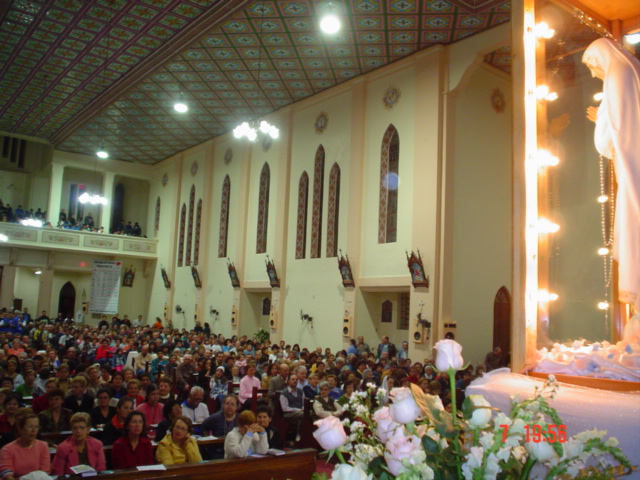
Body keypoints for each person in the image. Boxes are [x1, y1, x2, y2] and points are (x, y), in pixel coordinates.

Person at [583, 38, 640, 312]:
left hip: (631, 162)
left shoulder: (617, 75)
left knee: (633, 223)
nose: (594, 74)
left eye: (592, 67)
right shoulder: (631, 70)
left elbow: (615, 130)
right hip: (633, 158)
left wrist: (600, 123)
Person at [0, 414, 50, 479]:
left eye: (36, 427)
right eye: (30, 426)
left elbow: (45, 471)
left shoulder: (43, 446)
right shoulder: (7, 449)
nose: (33, 430)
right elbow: (6, 473)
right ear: (20, 429)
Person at [279, 374, 303, 442]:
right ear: (288, 381)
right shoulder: (284, 393)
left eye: (296, 379)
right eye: (293, 379)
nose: (295, 381)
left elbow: (303, 402)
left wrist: (303, 408)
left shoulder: (300, 391)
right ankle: (298, 434)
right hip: (288, 413)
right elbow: (285, 408)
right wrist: (298, 410)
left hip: (300, 411)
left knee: (309, 413)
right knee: (302, 414)